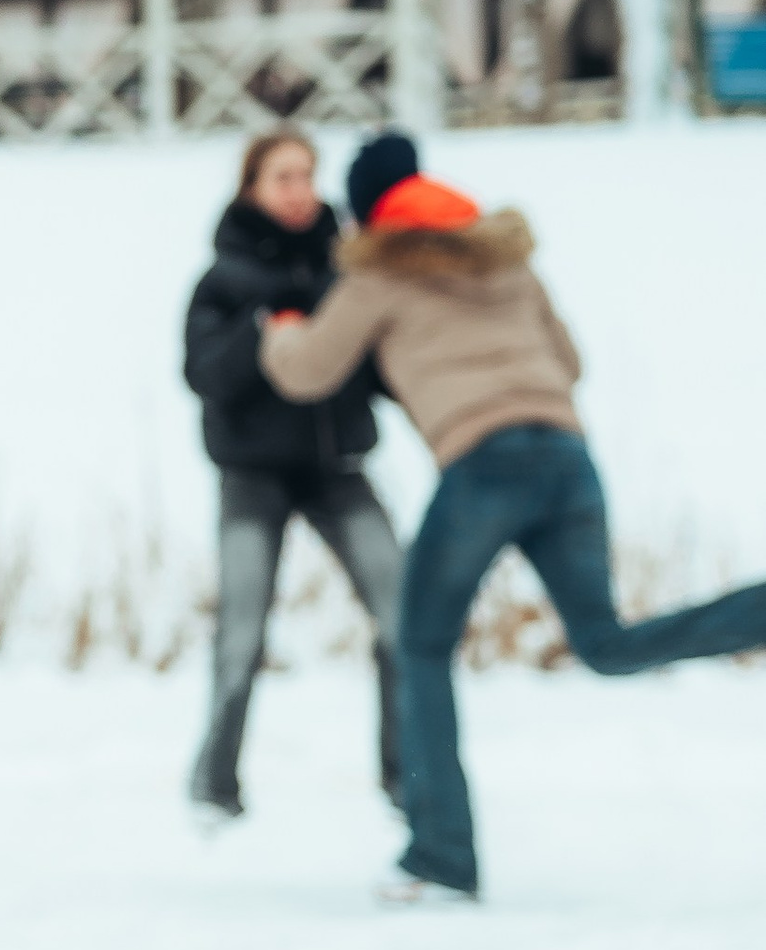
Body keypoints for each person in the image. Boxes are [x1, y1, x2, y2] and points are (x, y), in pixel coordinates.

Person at [262, 127, 766, 901]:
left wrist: (284, 329)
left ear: (366, 212)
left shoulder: (378, 271)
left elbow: (308, 373)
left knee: (421, 645)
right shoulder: (504, 255)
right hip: (568, 461)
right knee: (605, 642)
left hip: (481, 466)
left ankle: (441, 857)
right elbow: (570, 362)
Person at [181, 125, 402, 820]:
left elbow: (383, 365)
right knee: (242, 634)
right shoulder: (221, 282)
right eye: (284, 177)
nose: (301, 190)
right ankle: (215, 785)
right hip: (252, 476)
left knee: (403, 610)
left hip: (337, 468)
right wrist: (258, 337)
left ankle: (405, 776)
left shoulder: (350, 271)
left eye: (308, 174)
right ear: (251, 187)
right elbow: (201, 375)